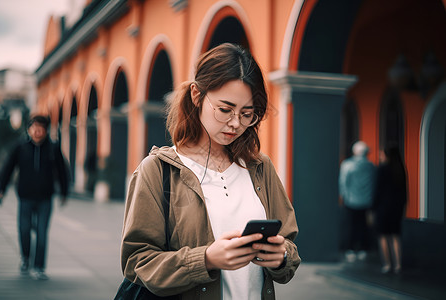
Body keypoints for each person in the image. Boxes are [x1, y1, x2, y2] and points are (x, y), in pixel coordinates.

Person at [120, 43, 301, 299]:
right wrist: (204, 259)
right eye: (225, 110)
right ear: (196, 95)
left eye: (247, 114)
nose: (236, 123)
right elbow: (137, 262)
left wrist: (281, 256)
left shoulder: (260, 167)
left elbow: (290, 246)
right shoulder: (157, 170)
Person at [0, 115, 69, 280]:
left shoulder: (53, 148)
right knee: (24, 229)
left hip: (45, 198)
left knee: (42, 232)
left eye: (41, 128)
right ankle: (25, 258)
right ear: (29, 129)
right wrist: (1, 189)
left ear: (45, 130)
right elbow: (8, 167)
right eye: (34, 127)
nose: (37, 131)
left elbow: (62, 171)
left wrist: (64, 192)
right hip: (25, 197)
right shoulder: (20, 147)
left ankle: (39, 267)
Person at [372, 145, 407, 274]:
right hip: (397, 209)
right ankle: (398, 265)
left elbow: (377, 190)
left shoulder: (382, 169)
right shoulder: (401, 170)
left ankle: (387, 264)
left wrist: (373, 208)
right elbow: (404, 193)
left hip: (383, 209)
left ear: (386, 155)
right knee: (395, 236)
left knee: (383, 236)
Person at [338, 141, 376, 262]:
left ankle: (351, 249)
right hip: (366, 201)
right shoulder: (371, 166)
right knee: (363, 225)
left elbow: (343, 182)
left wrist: (343, 196)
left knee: (351, 225)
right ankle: (363, 248)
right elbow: (374, 184)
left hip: (350, 200)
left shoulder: (347, 165)